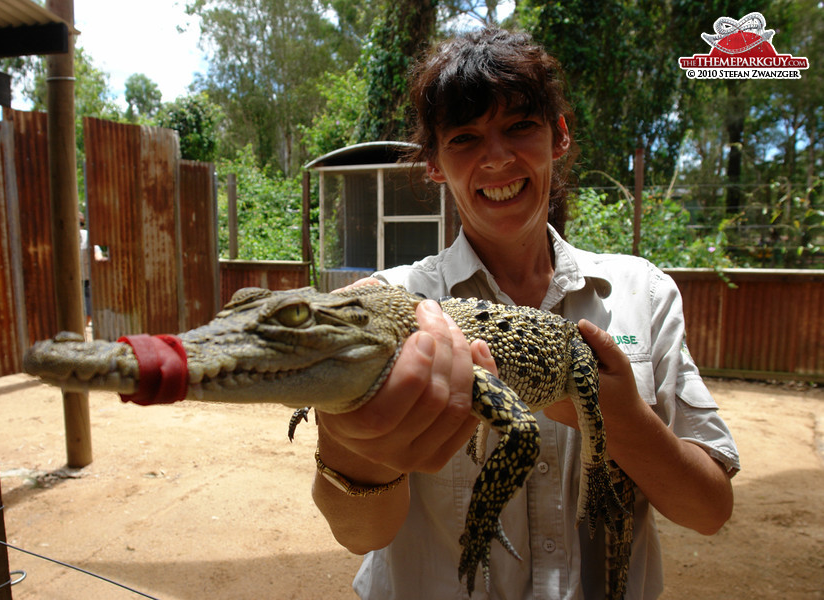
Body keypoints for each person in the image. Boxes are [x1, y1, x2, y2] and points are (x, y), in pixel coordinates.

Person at [311, 27, 739, 599]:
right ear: (434, 163)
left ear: (558, 136)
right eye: (463, 138)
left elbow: (710, 509)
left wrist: (615, 419)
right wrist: (345, 439)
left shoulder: (644, 292)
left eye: (519, 127)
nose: (496, 158)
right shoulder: (388, 303)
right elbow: (359, 535)